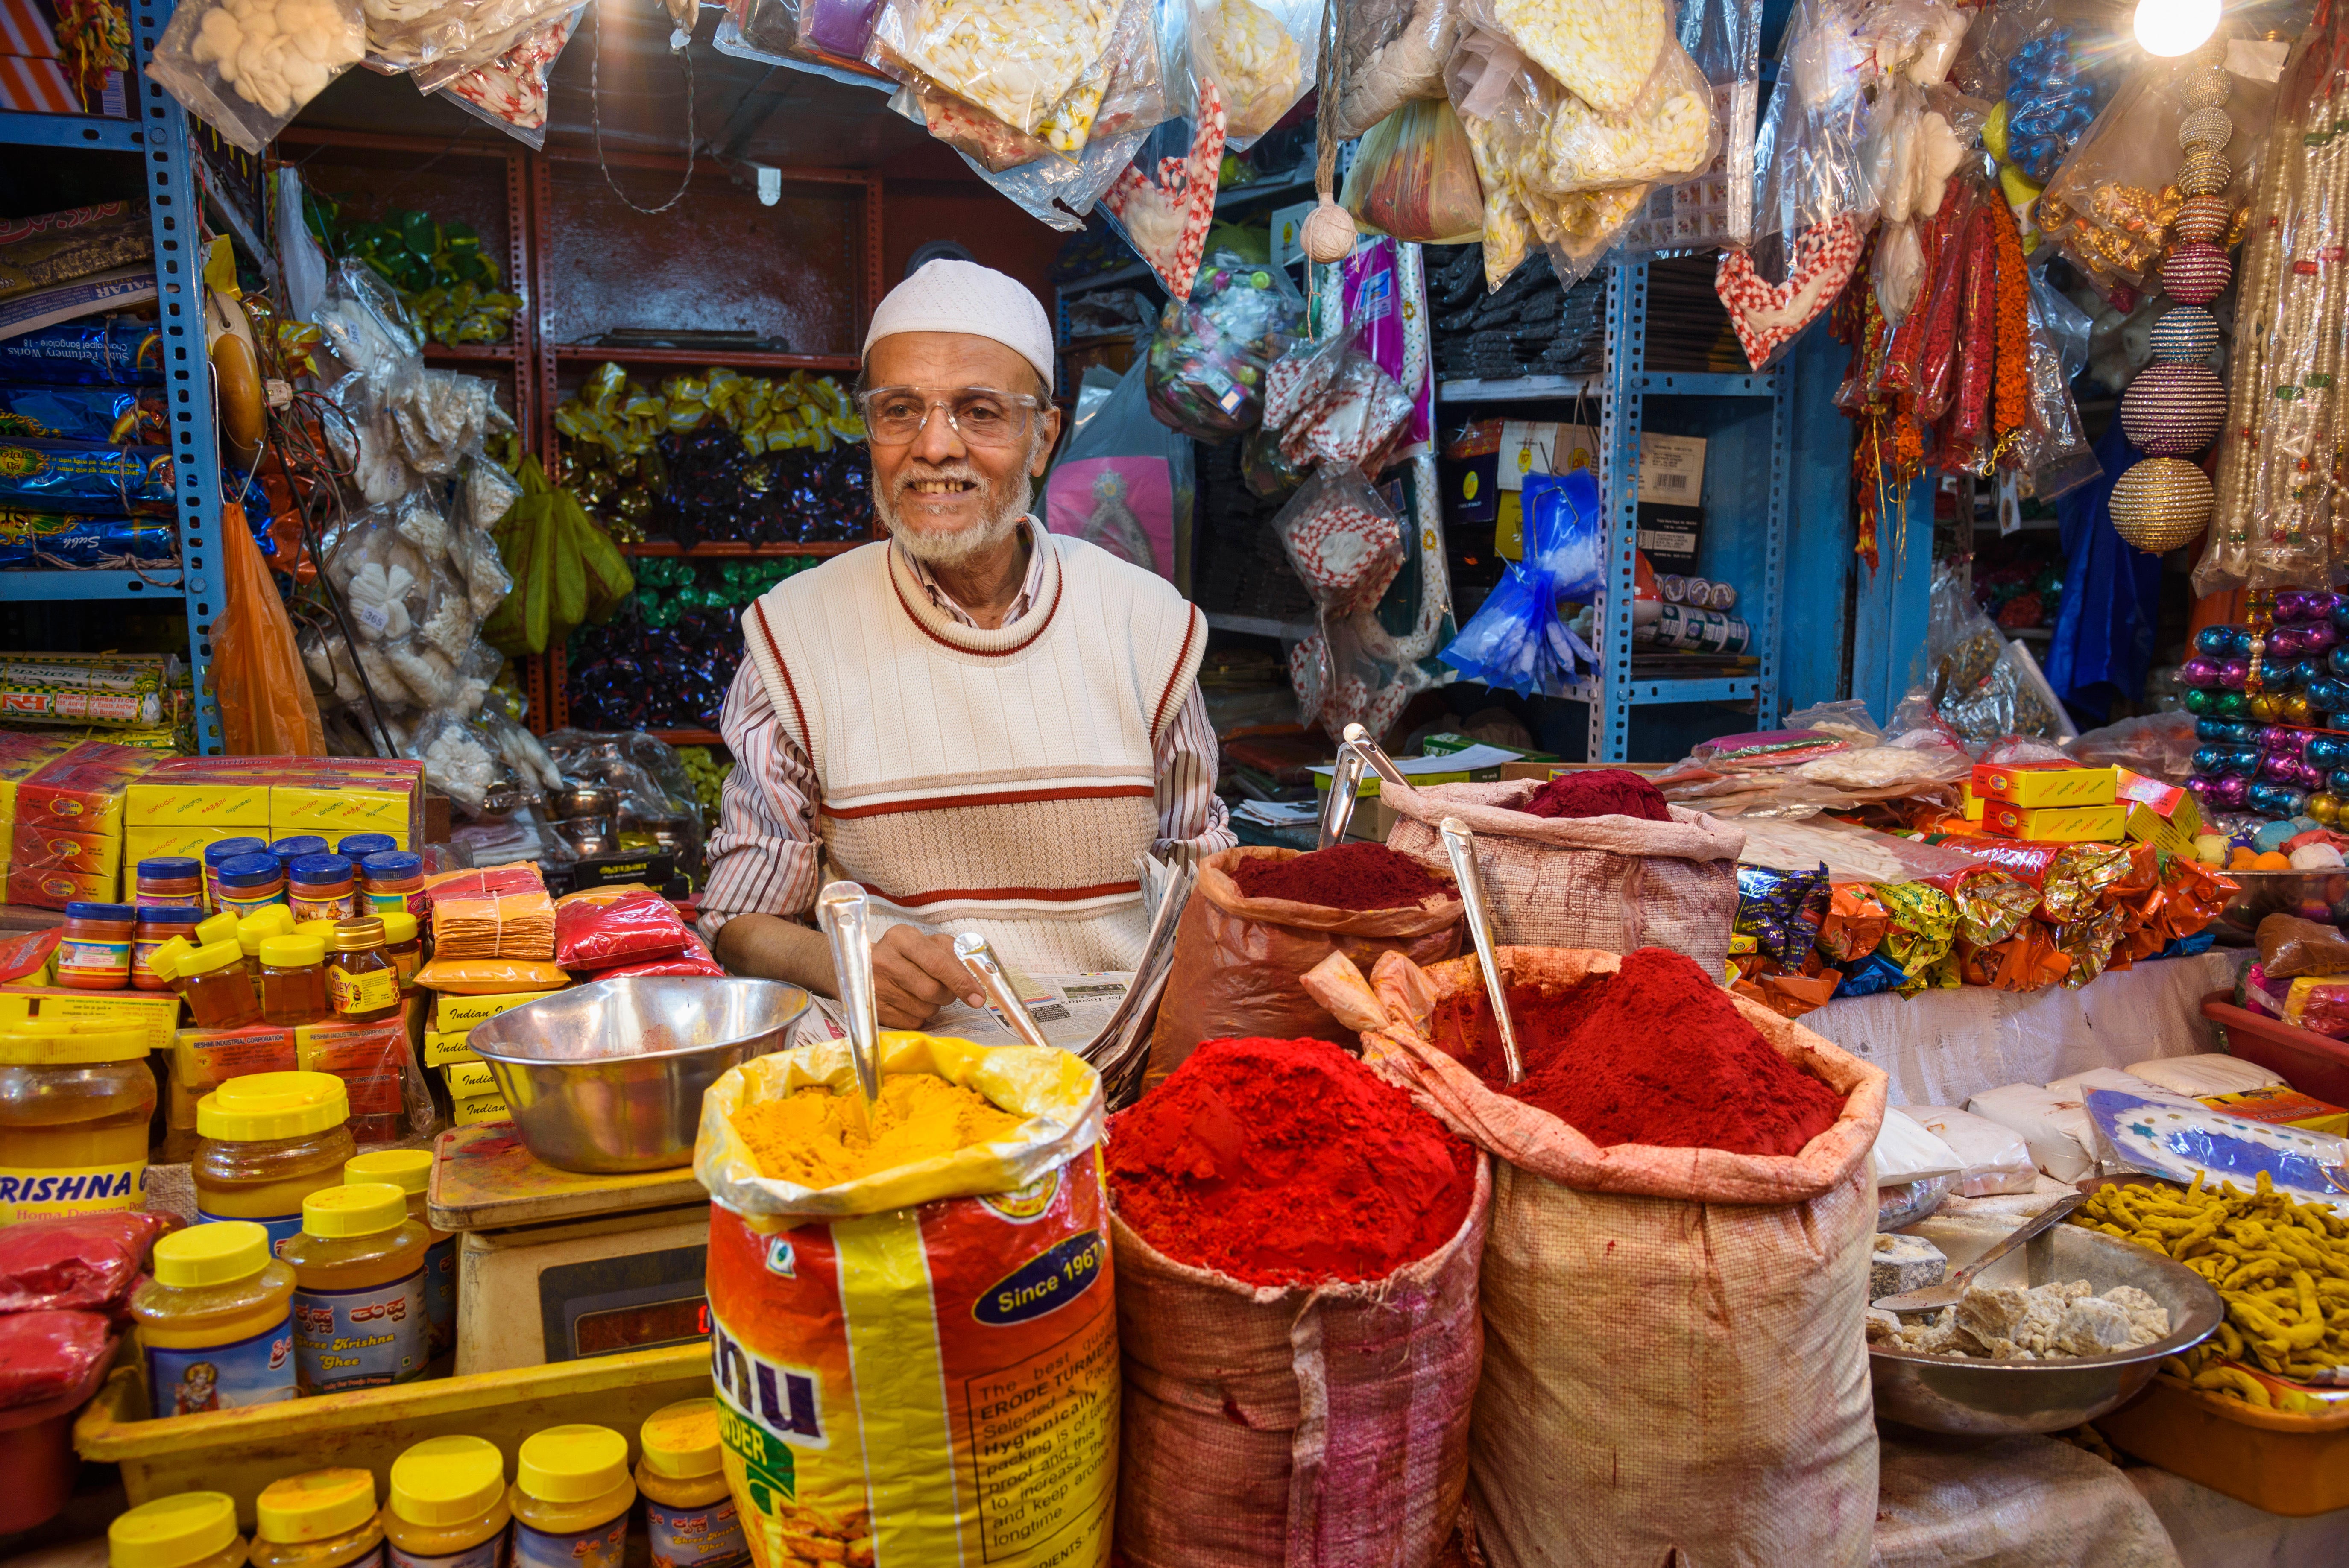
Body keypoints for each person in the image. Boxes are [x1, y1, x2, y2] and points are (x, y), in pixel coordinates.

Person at [702, 260, 1234, 1025]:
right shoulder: (797, 639)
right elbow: (737, 924)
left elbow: (1204, 893)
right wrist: (848, 965)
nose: (935, 447)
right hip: (909, 1076)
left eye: (980, 412)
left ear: (1043, 436)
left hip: (1121, 1062)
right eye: (899, 411)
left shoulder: (1146, 626)